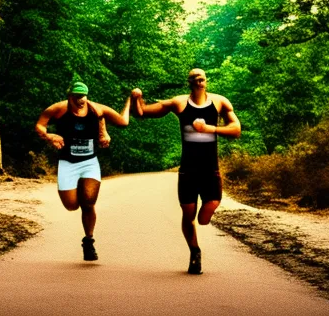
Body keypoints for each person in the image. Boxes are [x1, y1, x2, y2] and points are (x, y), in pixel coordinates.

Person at [132, 68, 241, 274]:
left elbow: (236, 130)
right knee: (188, 214)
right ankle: (194, 251)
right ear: (189, 82)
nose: (199, 82)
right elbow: (143, 112)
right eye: (195, 79)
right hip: (188, 170)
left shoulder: (219, 102)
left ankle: (203, 222)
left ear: (206, 81)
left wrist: (211, 129)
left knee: (205, 215)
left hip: (211, 169)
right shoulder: (179, 103)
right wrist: (137, 97)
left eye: (202, 79)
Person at [35, 81, 131, 261]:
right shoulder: (58, 109)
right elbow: (40, 125)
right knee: (71, 205)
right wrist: (49, 136)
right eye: (77, 96)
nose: (81, 100)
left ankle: (89, 241)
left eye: (84, 96)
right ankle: (77, 190)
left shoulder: (96, 109)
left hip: (89, 162)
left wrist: (129, 102)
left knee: (88, 204)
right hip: (67, 163)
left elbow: (123, 121)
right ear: (69, 97)